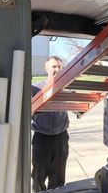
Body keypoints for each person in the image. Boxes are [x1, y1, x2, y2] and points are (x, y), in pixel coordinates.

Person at [31, 56, 70, 192]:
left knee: (59, 177)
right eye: (54, 66)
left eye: (60, 66)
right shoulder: (36, 88)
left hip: (61, 138)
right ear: (46, 68)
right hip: (42, 138)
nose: (57, 69)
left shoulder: (66, 87)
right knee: (38, 176)